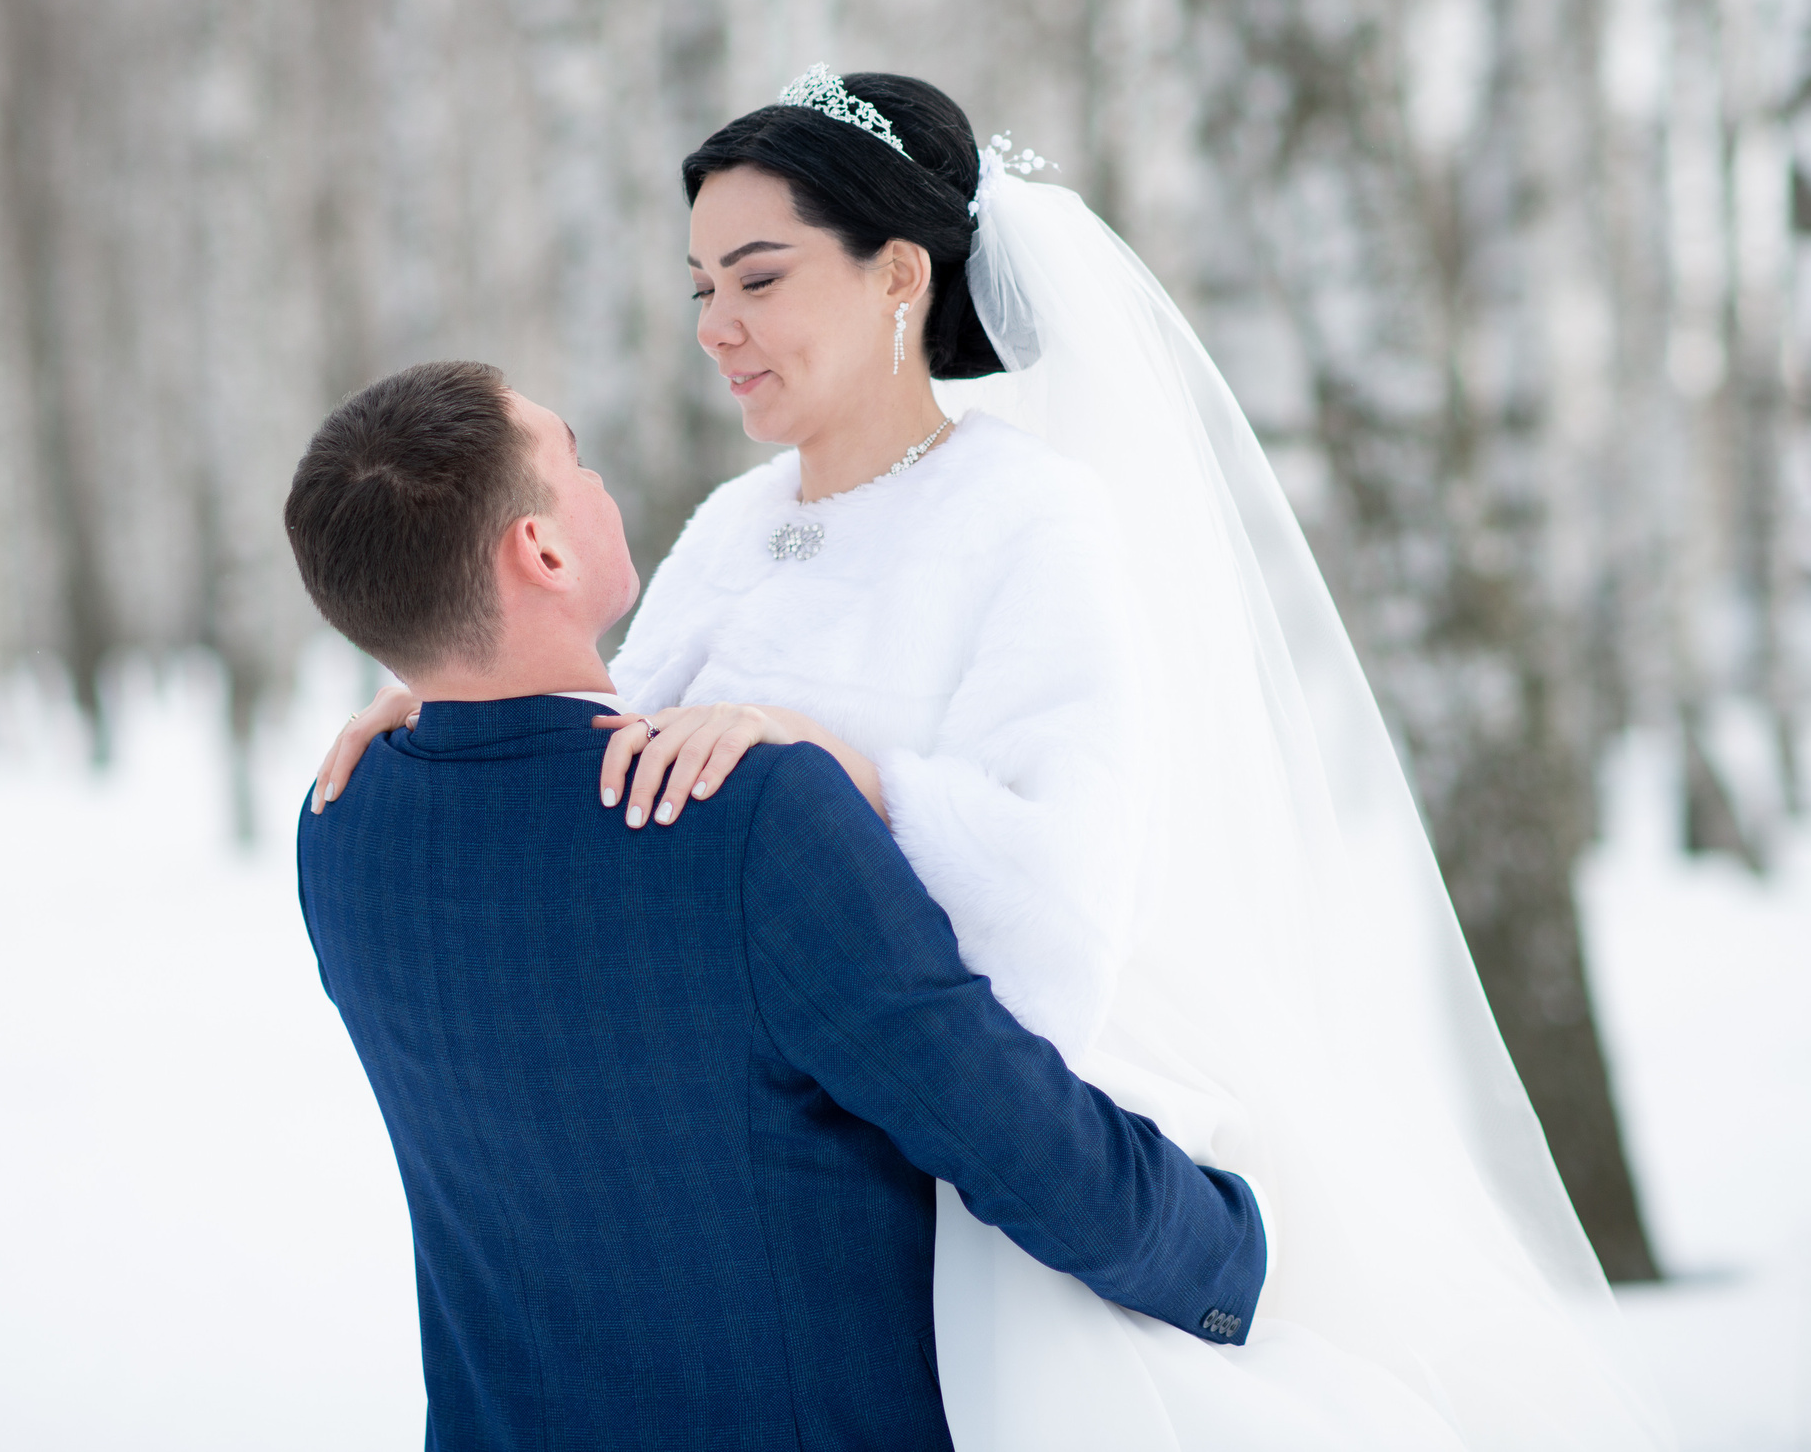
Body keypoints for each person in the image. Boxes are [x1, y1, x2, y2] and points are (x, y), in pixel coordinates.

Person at [313, 71, 1671, 1449]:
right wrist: (442, 704)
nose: (718, 328)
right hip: (794, 1148)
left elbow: (1064, 904)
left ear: (899, 273)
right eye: (700, 288)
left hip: (981, 1168)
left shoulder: (1031, 521)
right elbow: (620, 771)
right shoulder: (732, 524)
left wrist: (857, 778)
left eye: (759, 278)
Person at [286, 359, 1267, 1451]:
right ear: (542, 549)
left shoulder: (340, 819)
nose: (600, 483)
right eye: (575, 460)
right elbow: (1016, 1139)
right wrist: (1228, 1257)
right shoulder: (746, 817)